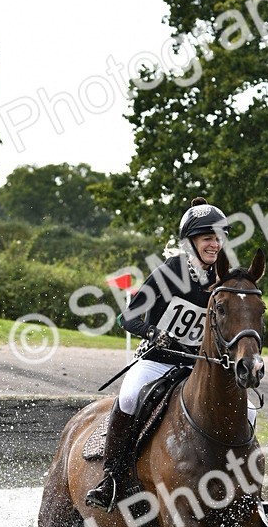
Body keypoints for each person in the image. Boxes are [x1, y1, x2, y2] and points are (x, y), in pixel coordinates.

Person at [85, 197, 246, 510]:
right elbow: (128, 318)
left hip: (199, 368)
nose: (214, 244)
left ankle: (244, 488)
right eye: (207, 238)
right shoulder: (169, 273)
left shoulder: (224, 278)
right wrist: (153, 333)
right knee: (129, 397)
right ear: (190, 243)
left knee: (247, 408)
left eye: (218, 238)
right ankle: (111, 477)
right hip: (158, 362)